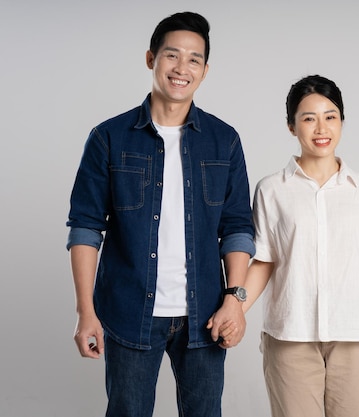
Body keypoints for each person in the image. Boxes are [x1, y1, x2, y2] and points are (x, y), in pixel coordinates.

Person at [66, 11, 254, 417]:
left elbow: (237, 226)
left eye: (194, 59)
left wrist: (234, 300)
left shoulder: (224, 141)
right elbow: (85, 227)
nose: (181, 68)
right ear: (151, 58)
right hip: (128, 311)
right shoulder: (109, 137)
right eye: (172, 55)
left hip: (204, 314)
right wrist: (86, 312)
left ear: (204, 70)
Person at [240, 74, 359, 417]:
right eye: (308, 118)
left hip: (355, 339)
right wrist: (234, 310)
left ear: (342, 121)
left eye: (330, 117)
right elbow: (265, 262)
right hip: (290, 337)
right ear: (291, 126)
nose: (321, 128)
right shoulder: (272, 189)